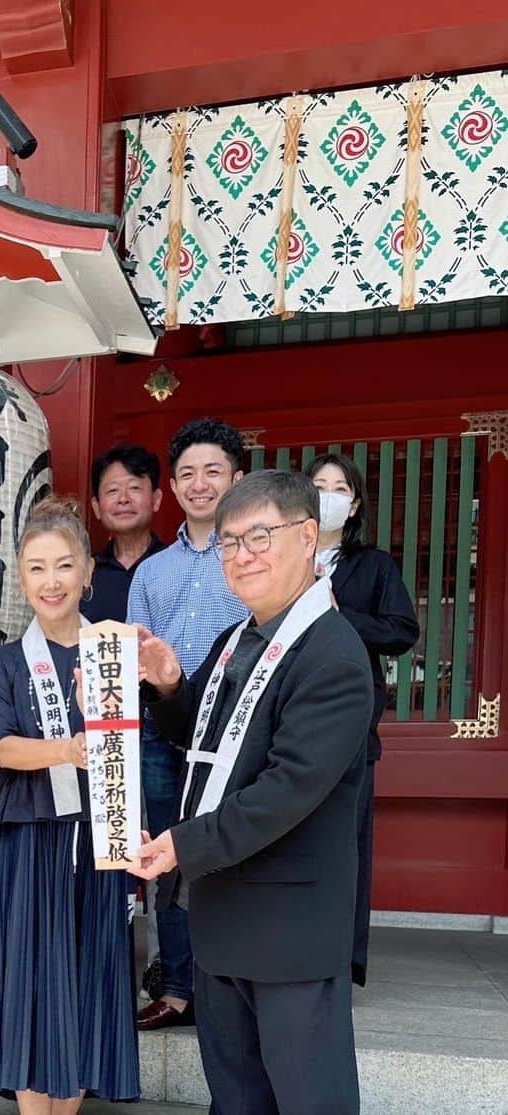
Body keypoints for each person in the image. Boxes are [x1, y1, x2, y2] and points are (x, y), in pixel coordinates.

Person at [132, 470, 374, 1115]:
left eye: (259, 536)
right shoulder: (237, 641)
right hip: (223, 914)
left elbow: (288, 788)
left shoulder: (333, 654)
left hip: (290, 928)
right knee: (237, 1100)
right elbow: (213, 754)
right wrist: (170, 687)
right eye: (230, 543)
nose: (243, 556)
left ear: (307, 537)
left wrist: (183, 843)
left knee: (307, 1100)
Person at [0, 497, 140, 1112]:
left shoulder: (114, 654)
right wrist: (70, 749)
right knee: (30, 988)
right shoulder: (4, 661)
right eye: (36, 568)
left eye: (64, 566)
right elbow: (1, 749)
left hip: (97, 840)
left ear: (88, 571)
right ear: (20, 577)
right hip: (29, 843)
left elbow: (137, 749)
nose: (51, 581)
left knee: (87, 983)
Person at [126, 417, 248, 1029]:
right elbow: (134, 659)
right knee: (164, 856)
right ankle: (176, 987)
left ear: (239, 479)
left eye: (214, 472)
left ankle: (229, 986)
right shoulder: (151, 572)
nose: (200, 485)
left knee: (230, 854)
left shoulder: (254, 561)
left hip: (235, 726)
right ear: (171, 488)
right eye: (188, 475)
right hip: (159, 728)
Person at [306, 451, 419, 986]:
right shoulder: (281, 553)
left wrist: (338, 614)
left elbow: (401, 630)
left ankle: (342, 963)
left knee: (346, 843)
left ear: (354, 507)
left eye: (340, 489)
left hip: (350, 716)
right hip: (286, 714)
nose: (329, 496)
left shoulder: (372, 565)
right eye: (319, 486)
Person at [83, 444, 166, 623]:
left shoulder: (174, 565)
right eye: (113, 490)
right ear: (96, 507)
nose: (123, 499)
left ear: (156, 499)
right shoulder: (86, 573)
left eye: (134, 488)